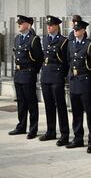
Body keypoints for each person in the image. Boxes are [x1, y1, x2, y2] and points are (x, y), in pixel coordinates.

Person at [66, 18, 91, 153]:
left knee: (90, 114)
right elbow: (69, 60)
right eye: (74, 29)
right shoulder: (71, 43)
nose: (75, 31)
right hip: (74, 81)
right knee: (76, 113)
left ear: (84, 30)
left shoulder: (89, 44)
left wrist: (87, 76)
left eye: (78, 29)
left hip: (85, 82)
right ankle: (78, 138)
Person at [7, 15, 43, 140]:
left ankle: (33, 129)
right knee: (21, 103)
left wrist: (33, 72)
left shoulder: (34, 39)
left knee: (31, 103)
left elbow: (39, 59)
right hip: (18, 74)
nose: (18, 24)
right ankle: (21, 126)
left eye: (21, 23)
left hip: (28, 74)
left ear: (28, 24)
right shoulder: (17, 39)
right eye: (18, 22)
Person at [39, 15, 69, 145]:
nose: (49, 27)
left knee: (60, 106)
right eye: (47, 25)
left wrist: (64, 77)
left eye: (51, 25)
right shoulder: (45, 39)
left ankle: (64, 134)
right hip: (45, 76)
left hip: (57, 77)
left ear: (57, 26)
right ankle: (51, 131)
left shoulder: (63, 41)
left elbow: (66, 61)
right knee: (48, 105)